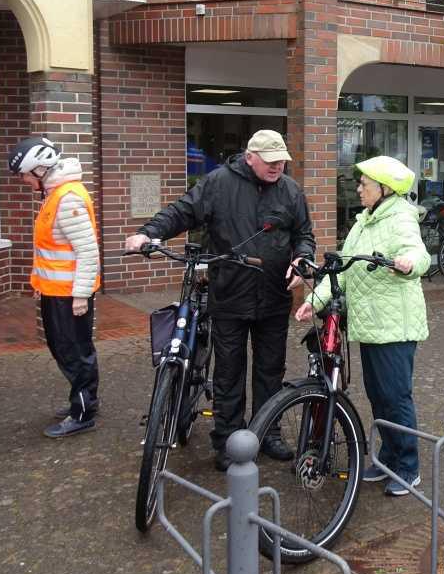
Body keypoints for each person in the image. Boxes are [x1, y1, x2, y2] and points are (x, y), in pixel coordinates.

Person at [125, 130, 315, 471]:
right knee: (229, 372)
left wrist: (302, 257)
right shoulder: (219, 183)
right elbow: (182, 211)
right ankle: (228, 440)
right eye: (270, 161)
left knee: (271, 369)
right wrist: (148, 233)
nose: (277, 166)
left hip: (273, 295)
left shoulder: (290, 190)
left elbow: (303, 234)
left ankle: (267, 433)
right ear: (250, 157)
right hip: (229, 294)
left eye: (281, 161)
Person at [295, 156, 430, 497]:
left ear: (385, 189)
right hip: (370, 326)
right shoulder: (364, 222)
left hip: (394, 326)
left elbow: (419, 253)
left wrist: (409, 263)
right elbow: (342, 270)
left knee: (395, 397)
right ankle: (387, 459)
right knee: (379, 397)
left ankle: (408, 468)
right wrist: (315, 301)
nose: (358, 189)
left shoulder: (400, 217)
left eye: (364, 184)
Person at [8, 136, 103, 438]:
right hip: (56, 291)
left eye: (24, 175)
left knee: (75, 351)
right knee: (64, 347)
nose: (23, 181)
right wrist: (40, 283)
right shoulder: (54, 193)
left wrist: (81, 295)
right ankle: (84, 399)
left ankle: (83, 412)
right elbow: (50, 249)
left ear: (40, 170)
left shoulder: (67, 198)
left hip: (69, 294)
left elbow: (87, 251)